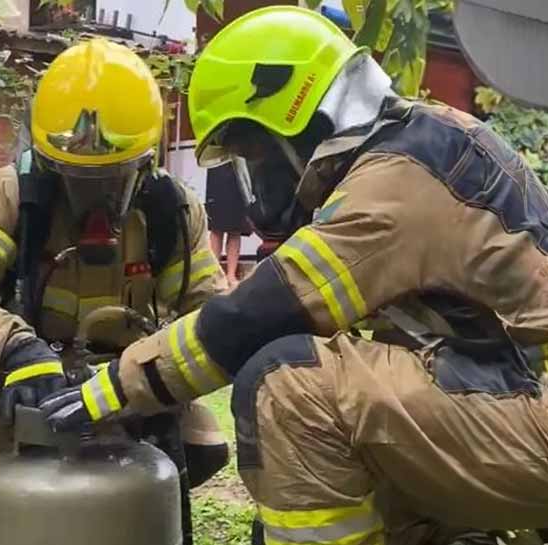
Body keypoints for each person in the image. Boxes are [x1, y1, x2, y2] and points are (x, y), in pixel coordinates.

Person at [40, 7, 548, 545]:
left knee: (288, 384)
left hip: (529, 416)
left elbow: (257, 316)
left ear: (297, 122)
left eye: (252, 154)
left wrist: (111, 389)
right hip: (517, 396)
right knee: (363, 404)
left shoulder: (395, 184)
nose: (255, 177)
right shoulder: (433, 140)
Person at [0, 38, 230, 545]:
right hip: (21, 371)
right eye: (76, 178)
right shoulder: (11, 198)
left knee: (203, 446)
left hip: (123, 374)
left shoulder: (170, 213)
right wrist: (18, 347)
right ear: (46, 161)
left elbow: (211, 313)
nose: (96, 198)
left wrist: (153, 371)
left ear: (145, 164)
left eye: (113, 178)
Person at [205, 164, 251, 287]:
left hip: (238, 166)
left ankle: (231, 275)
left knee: (236, 228)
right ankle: (214, 274)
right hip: (218, 164)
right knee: (216, 228)